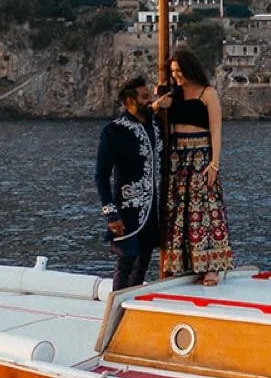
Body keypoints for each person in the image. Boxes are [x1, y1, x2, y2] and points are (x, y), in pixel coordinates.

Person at [156, 47, 234, 284]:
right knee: (177, 210)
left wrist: (214, 164)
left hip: (201, 155)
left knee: (205, 211)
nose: (176, 75)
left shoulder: (207, 93)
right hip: (177, 157)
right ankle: (180, 264)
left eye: (179, 70)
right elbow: (154, 118)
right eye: (173, 71)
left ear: (189, 68)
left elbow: (216, 130)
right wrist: (159, 104)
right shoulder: (171, 93)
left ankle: (210, 267)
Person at [95, 75, 168, 291]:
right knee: (126, 261)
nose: (150, 100)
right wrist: (111, 213)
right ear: (130, 102)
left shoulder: (155, 126)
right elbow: (101, 175)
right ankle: (116, 310)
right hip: (127, 208)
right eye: (145, 97)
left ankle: (132, 306)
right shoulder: (114, 131)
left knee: (143, 262)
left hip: (151, 210)